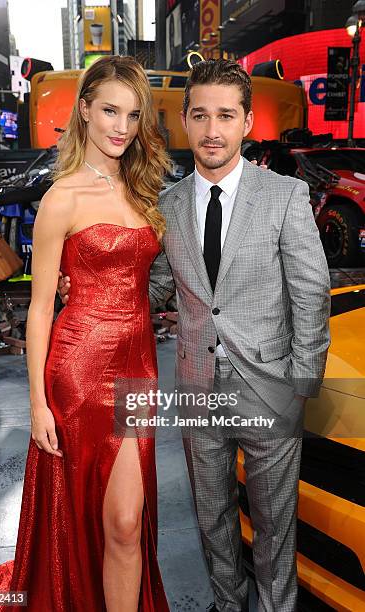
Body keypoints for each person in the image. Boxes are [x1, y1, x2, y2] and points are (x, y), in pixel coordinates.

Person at [59, 59, 331, 612]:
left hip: (270, 386)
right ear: (183, 120)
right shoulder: (169, 205)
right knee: (212, 516)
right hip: (198, 386)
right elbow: (154, 285)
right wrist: (89, 285)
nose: (212, 130)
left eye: (226, 116)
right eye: (201, 115)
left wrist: (303, 382)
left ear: (248, 122)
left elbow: (311, 292)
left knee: (276, 524)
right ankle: (228, 604)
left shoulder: (283, 196)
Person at [0, 56, 170, 611]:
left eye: (130, 114)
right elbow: (39, 308)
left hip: (138, 370)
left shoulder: (148, 192)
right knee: (89, 513)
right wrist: (37, 404)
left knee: (127, 521)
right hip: (77, 369)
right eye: (108, 110)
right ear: (84, 111)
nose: (120, 126)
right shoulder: (62, 197)